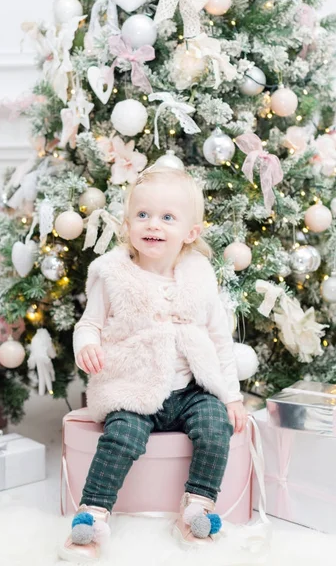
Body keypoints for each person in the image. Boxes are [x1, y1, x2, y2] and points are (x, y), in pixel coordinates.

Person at [59, 164, 248, 563]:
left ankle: (197, 505)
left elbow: (219, 339)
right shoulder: (113, 274)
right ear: (128, 224)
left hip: (189, 390)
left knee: (216, 427)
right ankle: (93, 513)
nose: (153, 225)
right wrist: (86, 345)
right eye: (142, 215)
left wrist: (231, 396)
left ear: (190, 233)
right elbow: (88, 324)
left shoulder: (200, 277)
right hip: (134, 386)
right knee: (122, 437)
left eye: (167, 218)